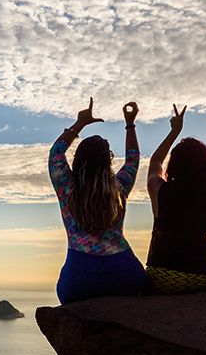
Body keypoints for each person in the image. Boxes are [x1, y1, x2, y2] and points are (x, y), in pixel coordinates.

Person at [49, 98, 145, 305]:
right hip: (126, 275)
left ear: (78, 161)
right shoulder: (118, 189)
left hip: (80, 279)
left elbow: (56, 152)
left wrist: (80, 123)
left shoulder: (67, 188)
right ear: (107, 163)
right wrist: (130, 124)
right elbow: (133, 159)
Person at [145, 104, 206, 293]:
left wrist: (174, 131)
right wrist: (194, 256)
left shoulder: (161, 190)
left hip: (161, 277)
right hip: (200, 277)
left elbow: (155, 162)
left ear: (174, 165)